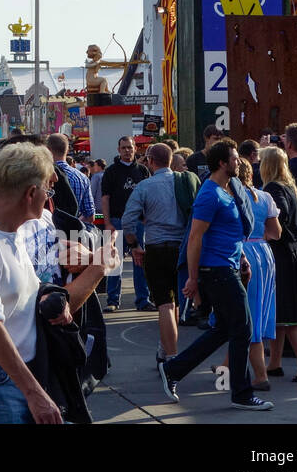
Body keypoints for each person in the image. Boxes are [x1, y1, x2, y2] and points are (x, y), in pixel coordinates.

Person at [0, 142, 107, 424]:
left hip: (20, 372)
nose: (49, 197)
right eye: (48, 190)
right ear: (31, 193)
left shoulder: (15, 233)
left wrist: (55, 298)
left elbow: (29, 293)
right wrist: (34, 393)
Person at [158, 137, 273, 411]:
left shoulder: (228, 189)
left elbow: (230, 233)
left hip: (228, 266)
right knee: (242, 329)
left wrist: (242, 256)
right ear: (222, 163)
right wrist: (194, 278)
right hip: (217, 271)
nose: (239, 162)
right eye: (234, 158)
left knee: (223, 329)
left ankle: (173, 369)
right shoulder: (209, 194)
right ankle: (242, 394)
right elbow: (195, 238)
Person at [121, 143, 190, 366]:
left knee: (163, 303)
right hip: (181, 248)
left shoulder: (145, 186)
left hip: (156, 247)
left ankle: (170, 355)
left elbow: (128, 220)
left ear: (151, 161)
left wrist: (134, 245)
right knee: (176, 303)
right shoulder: (183, 182)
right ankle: (166, 348)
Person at [259, 146, 297, 382]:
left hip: (283, 254)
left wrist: (264, 229)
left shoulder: (273, 188)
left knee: (289, 314)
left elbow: (277, 222)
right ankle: (275, 362)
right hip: (295, 250)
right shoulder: (289, 186)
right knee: (280, 313)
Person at [235, 159, 279, 389]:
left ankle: (260, 376)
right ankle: (225, 370)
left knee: (246, 314)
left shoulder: (233, 196)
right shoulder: (264, 197)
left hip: (243, 252)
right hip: (264, 251)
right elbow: (277, 232)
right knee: (258, 310)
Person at [101, 136, 152, 312]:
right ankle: (112, 300)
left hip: (139, 223)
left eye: (129, 147)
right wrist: (107, 222)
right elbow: (105, 198)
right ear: (118, 150)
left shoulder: (144, 171)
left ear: (135, 148)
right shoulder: (111, 171)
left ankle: (143, 300)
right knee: (115, 262)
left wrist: (147, 219)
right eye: (123, 148)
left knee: (141, 261)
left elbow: (149, 197)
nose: (127, 151)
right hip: (116, 221)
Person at [47, 133, 93, 224]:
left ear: (48, 150)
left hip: (47, 230)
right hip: (73, 234)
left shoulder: (44, 175)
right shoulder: (82, 178)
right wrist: (73, 224)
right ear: (67, 150)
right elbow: (90, 215)